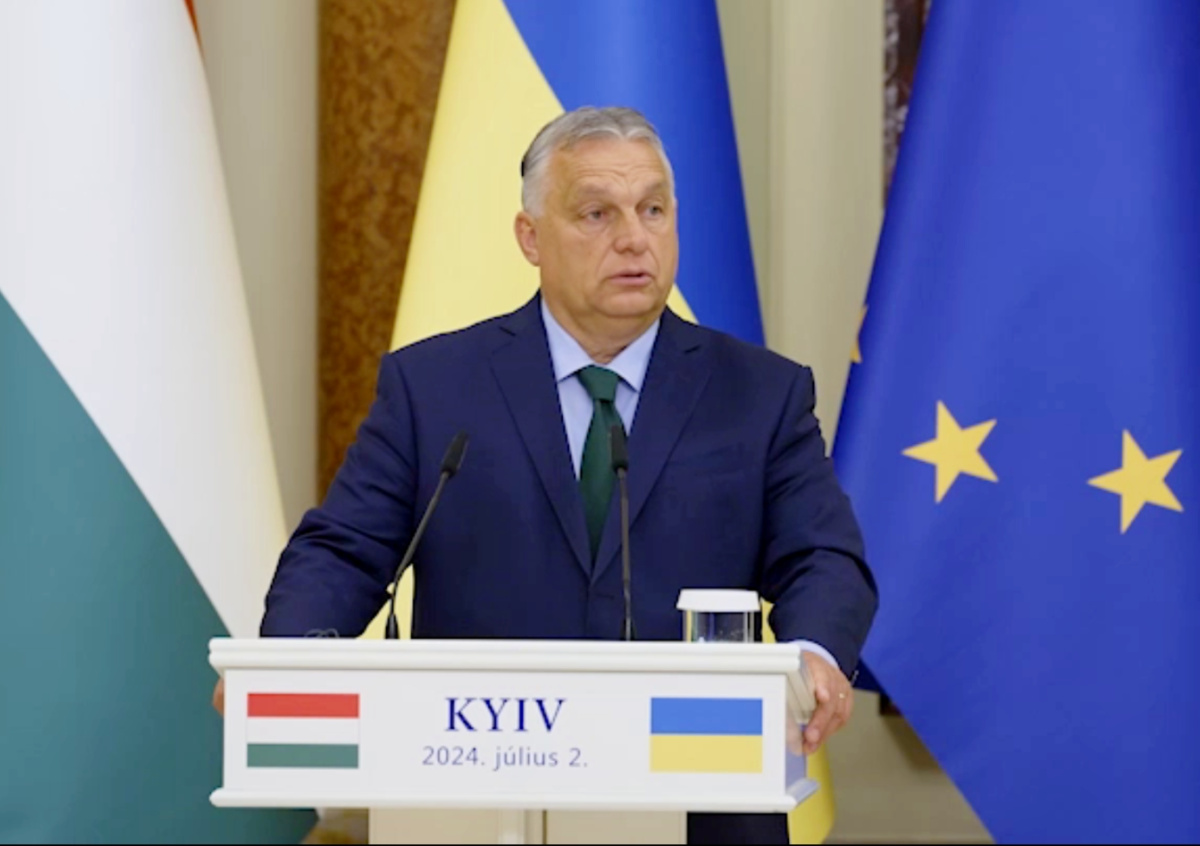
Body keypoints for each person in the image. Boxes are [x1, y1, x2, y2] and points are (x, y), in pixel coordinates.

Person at [218, 106, 877, 845]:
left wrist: (814, 656)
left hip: (702, 803)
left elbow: (823, 557)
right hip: (474, 799)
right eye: (597, 213)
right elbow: (342, 551)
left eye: (653, 210)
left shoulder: (759, 393)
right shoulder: (435, 387)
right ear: (531, 237)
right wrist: (292, 660)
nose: (634, 238)